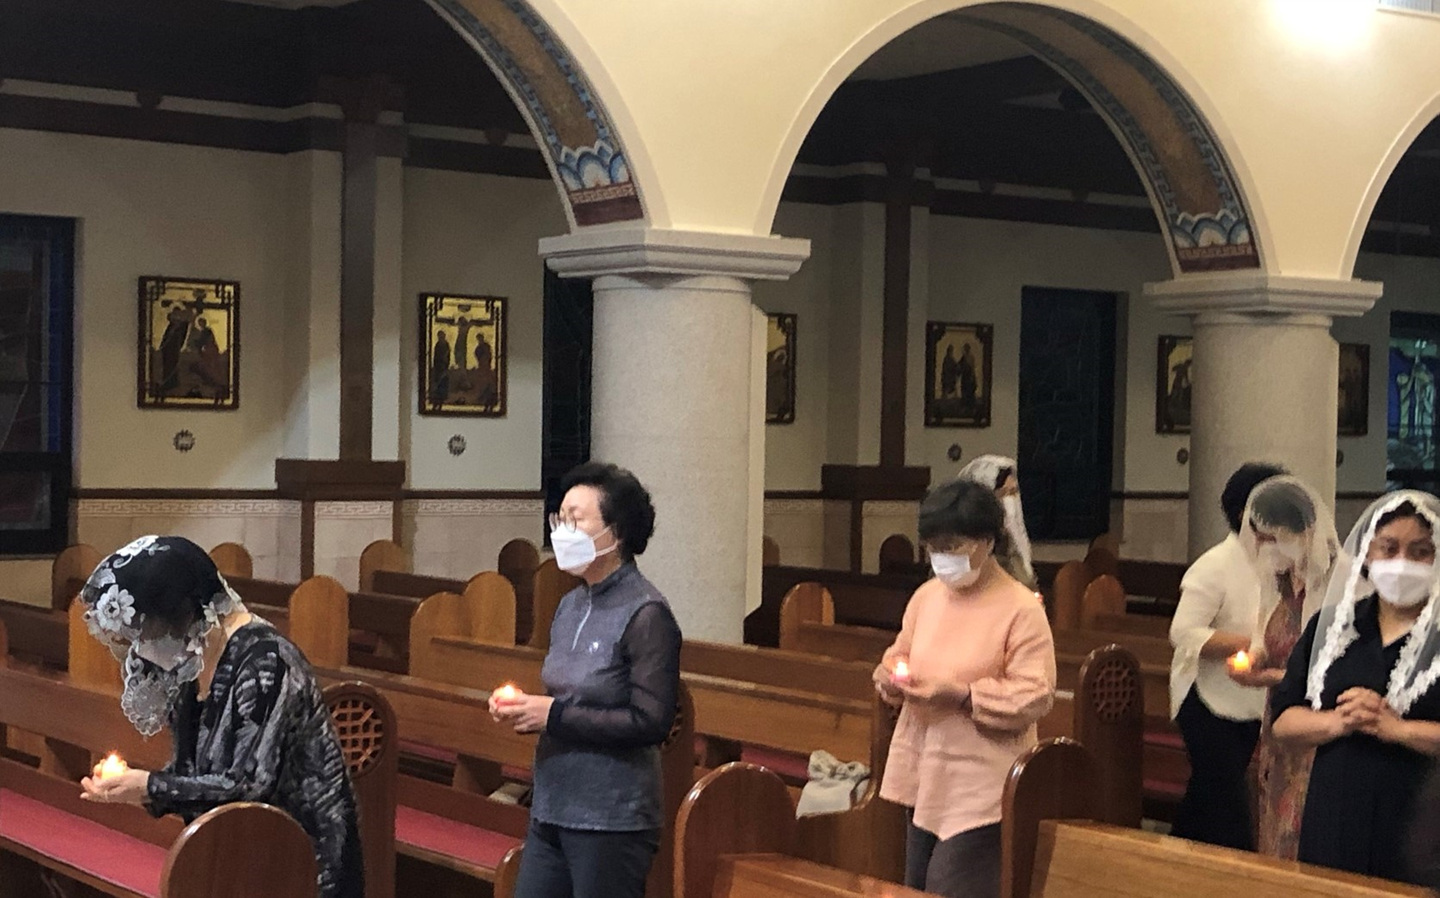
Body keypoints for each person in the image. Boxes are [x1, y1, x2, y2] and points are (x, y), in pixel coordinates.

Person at [75, 536, 363, 898]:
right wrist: (134, 791)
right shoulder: (195, 658)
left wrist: (150, 787)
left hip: (300, 865)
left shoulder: (267, 662)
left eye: (148, 633)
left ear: (186, 614)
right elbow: (192, 771)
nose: (142, 649)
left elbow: (248, 785)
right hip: (232, 852)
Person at [490, 462, 682, 898]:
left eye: (576, 520)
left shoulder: (646, 613)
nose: (563, 532)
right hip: (552, 805)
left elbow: (651, 721)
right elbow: (567, 696)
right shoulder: (570, 605)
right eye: (560, 519)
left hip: (610, 817)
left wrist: (553, 715)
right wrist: (523, 708)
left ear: (617, 532)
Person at [874, 479, 1056, 898]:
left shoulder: (1021, 608)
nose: (942, 557)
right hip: (925, 771)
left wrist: (963, 695)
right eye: (933, 547)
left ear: (987, 542)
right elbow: (900, 653)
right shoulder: (926, 597)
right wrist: (891, 678)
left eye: (953, 546)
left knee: (954, 886)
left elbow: (1035, 694)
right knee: (916, 888)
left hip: (982, 782)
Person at [1272, 492, 1440, 882]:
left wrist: (1396, 729)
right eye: (1389, 549)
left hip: (1419, 818)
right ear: (1367, 554)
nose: (1402, 563)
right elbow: (1283, 720)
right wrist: (1339, 721)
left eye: (1420, 552)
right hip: (1336, 809)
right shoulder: (1333, 627)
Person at [1167, 461, 1287, 849]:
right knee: (1225, 799)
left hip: (1249, 695)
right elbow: (1182, 632)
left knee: (1207, 798)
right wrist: (1249, 644)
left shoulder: (1277, 563)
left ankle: (1171, 859)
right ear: (1244, 514)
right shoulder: (1214, 565)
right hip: (1203, 698)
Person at [1226, 476, 1339, 860]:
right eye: (1259, 538)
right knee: (1273, 828)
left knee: (1304, 832)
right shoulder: (1283, 583)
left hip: (1316, 728)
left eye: (1272, 537)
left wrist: (1270, 678)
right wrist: (1254, 659)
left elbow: (1331, 672)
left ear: (1301, 531)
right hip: (1279, 727)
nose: (1263, 547)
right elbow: (1269, 641)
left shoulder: (1336, 584)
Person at [957, 454, 1035, 590]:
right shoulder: (957, 546)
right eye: (1003, 493)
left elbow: (1026, 583)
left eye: (1013, 493)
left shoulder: (1011, 546)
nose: (1009, 501)